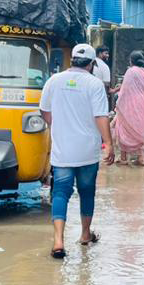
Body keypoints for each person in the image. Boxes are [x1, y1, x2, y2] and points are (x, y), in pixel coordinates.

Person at [39, 43, 115, 259]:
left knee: (60, 192)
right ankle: (84, 234)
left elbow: (44, 110)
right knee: (87, 190)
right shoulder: (94, 84)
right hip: (87, 151)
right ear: (91, 64)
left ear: (71, 60)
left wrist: (59, 125)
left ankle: (58, 241)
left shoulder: (54, 81)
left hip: (63, 150)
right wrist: (108, 143)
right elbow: (101, 116)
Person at [113, 50, 144, 165]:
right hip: (142, 103)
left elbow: (125, 90)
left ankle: (123, 157)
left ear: (131, 61)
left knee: (124, 128)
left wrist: (119, 103)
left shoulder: (130, 71)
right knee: (140, 129)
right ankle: (141, 158)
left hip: (129, 103)